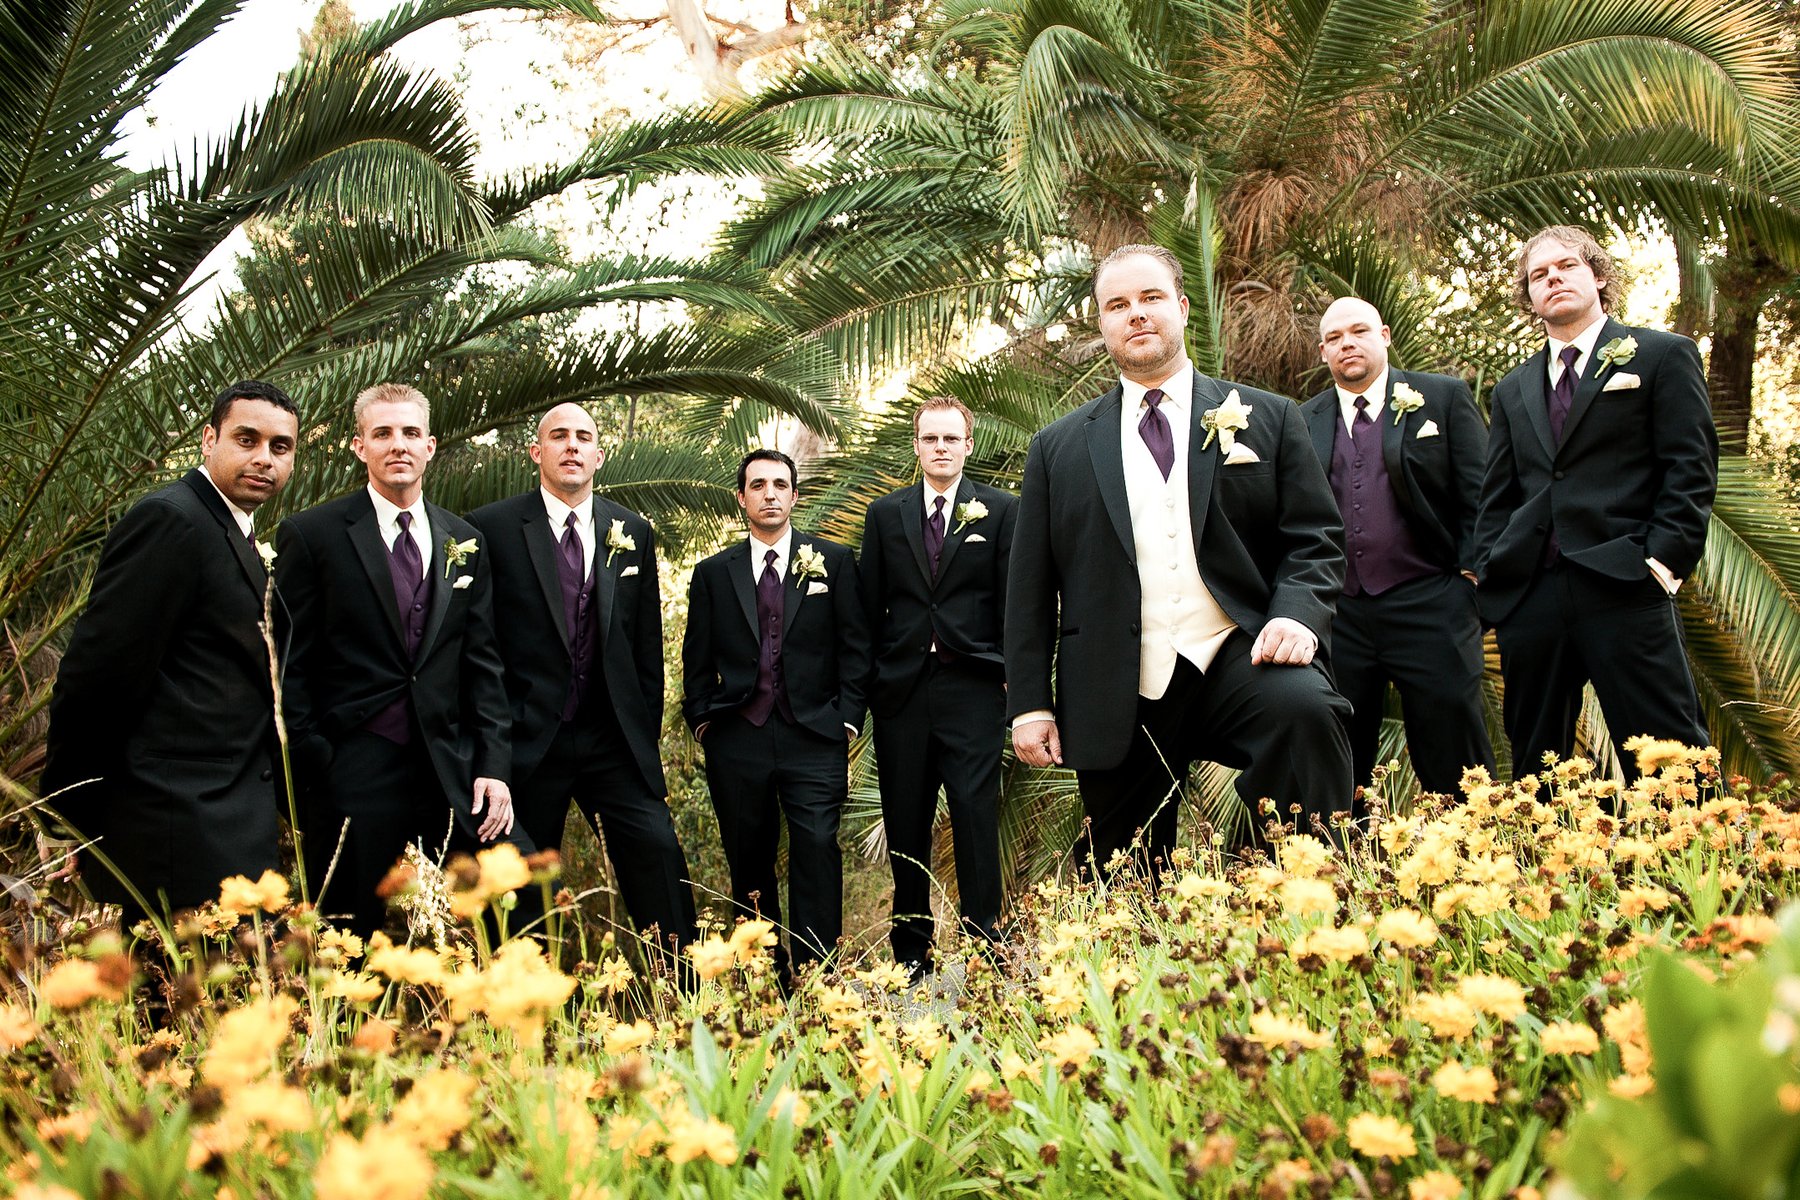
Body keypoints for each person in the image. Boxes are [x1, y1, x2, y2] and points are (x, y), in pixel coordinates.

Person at [1006, 243, 1352, 872]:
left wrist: (1296, 614)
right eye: (1118, 305)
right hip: (1116, 678)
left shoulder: (1269, 418)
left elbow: (1315, 538)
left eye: (1151, 297)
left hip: (1237, 653)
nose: (1136, 314)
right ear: (1102, 323)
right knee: (1123, 875)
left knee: (1306, 712)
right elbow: (1029, 587)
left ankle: (1310, 891)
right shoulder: (1057, 447)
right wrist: (1030, 703)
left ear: (1183, 308)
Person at [39, 381, 300, 926]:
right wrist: (67, 818)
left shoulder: (229, 527)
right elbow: (98, 679)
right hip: (176, 829)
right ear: (208, 439)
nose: (264, 458)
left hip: (223, 822)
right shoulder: (172, 520)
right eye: (247, 439)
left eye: (280, 447)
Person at [276, 383, 521, 938]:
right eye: (382, 433)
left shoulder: (465, 539)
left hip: (448, 770)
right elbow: (289, 665)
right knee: (344, 934)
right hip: (350, 768)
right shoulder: (312, 535)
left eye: (410, 432)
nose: (398, 445)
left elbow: (482, 662)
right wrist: (315, 760)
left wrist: (492, 764)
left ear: (430, 446)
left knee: (480, 930)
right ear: (359, 446)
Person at [1474, 225, 1716, 776]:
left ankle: (1698, 835)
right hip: (1531, 595)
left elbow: (1690, 468)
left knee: (1669, 756)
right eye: (1539, 275)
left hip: (1625, 580)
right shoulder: (1512, 387)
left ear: (1600, 276)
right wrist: (1494, 580)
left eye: (1567, 266)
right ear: (1529, 296)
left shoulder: (1661, 356)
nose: (1553, 279)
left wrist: (1662, 564)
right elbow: (1499, 494)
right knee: (1537, 767)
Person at [467, 403, 698, 952]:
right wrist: (490, 753)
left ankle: (686, 989)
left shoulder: (631, 530)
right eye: (558, 436)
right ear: (536, 452)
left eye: (583, 437)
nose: (571, 445)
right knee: (518, 886)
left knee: (659, 856)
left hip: (610, 742)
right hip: (527, 743)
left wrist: (642, 741)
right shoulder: (491, 528)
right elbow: (479, 647)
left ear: (599, 454)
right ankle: (526, 997)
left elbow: (645, 650)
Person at [681, 450, 871, 977]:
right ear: (741, 498)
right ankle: (765, 973)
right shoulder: (712, 573)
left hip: (814, 733)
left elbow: (856, 646)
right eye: (758, 485)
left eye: (780, 484)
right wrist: (704, 722)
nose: (770, 494)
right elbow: (696, 659)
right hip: (738, 736)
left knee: (817, 846)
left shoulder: (833, 561)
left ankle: (818, 975)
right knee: (749, 858)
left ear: (794, 495)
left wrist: (847, 717)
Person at [1300, 297, 1494, 796]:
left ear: (1384, 336)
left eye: (1359, 331)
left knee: (1454, 747)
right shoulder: (1302, 419)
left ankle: (1473, 840)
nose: (1347, 344)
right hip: (1339, 614)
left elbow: (1482, 497)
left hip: (1432, 601)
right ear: (1323, 352)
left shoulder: (1443, 398)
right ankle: (1347, 844)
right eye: (1334, 338)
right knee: (1340, 754)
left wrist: (1472, 584)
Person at [859, 396, 1016, 978]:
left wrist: (1011, 677)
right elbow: (867, 606)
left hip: (973, 687)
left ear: (968, 445)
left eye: (951, 438)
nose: (941, 447)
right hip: (901, 692)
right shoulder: (885, 515)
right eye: (931, 439)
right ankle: (911, 957)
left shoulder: (1001, 510)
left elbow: (1013, 602)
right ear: (917, 445)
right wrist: (872, 680)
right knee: (906, 822)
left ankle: (985, 948)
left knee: (975, 816)